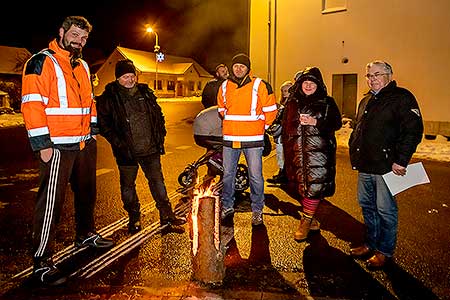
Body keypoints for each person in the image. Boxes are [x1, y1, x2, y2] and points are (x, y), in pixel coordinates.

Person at [21, 16, 114, 286]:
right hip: (57, 145)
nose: (79, 41)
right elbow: (32, 104)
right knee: (51, 203)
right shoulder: (42, 61)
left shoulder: (83, 65)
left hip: (84, 142)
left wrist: (93, 132)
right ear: (62, 32)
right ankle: (41, 261)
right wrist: (42, 144)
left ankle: (85, 235)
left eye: (84, 38)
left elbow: (89, 101)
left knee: (87, 195)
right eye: (74, 34)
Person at [96, 59, 186, 235]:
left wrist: (160, 134)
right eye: (125, 77)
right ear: (118, 78)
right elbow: (104, 125)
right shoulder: (109, 97)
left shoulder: (145, 92)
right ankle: (134, 217)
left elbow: (158, 115)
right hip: (126, 152)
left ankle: (167, 215)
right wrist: (119, 143)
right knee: (128, 187)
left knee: (158, 183)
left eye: (132, 76)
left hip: (150, 149)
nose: (130, 80)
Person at [348, 60, 423, 268]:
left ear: (389, 75)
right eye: (369, 75)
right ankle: (370, 243)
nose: (373, 79)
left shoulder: (402, 97)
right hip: (365, 164)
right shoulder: (366, 100)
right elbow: (359, 129)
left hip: (386, 166)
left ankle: (384, 251)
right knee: (367, 207)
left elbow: (413, 131)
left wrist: (401, 160)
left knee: (385, 210)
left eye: (377, 74)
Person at [282, 67, 342, 242]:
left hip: (319, 155)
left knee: (314, 188)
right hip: (296, 153)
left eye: (312, 82)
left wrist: (316, 122)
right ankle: (313, 220)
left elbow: (336, 123)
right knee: (301, 187)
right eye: (305, 82)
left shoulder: (327, 102)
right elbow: (285, 126)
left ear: (318, 85)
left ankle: (305, 221)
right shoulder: (292, 103)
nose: (308, 85)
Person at [217, 53, 277, 226]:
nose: (238, 68)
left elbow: (271, 111)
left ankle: (257, 210)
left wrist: (262, 128)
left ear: (248, 69)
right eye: (236, 66)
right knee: (228, 175)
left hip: (253, 140)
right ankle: (227, 207)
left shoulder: (260, 85)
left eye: (242, 66)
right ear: (231, 68)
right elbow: (221, 108)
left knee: (256, 176)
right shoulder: (224, 86)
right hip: (230, 139)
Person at [266, 80, 293, 184]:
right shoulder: (284, 104)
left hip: (286, 135)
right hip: (281, 135)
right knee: (280, 154)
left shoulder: (291, 104)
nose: (284, 92)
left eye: (286, 90)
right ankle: (282, 174)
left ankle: (283, 176)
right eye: (283, 90)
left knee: (283, 154)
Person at [193, 105, 223, 178]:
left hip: (200, 133)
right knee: (229, 145)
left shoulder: (221, 107)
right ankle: (218, 168)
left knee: (216, 148)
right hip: (207, 133)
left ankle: (211, 170)